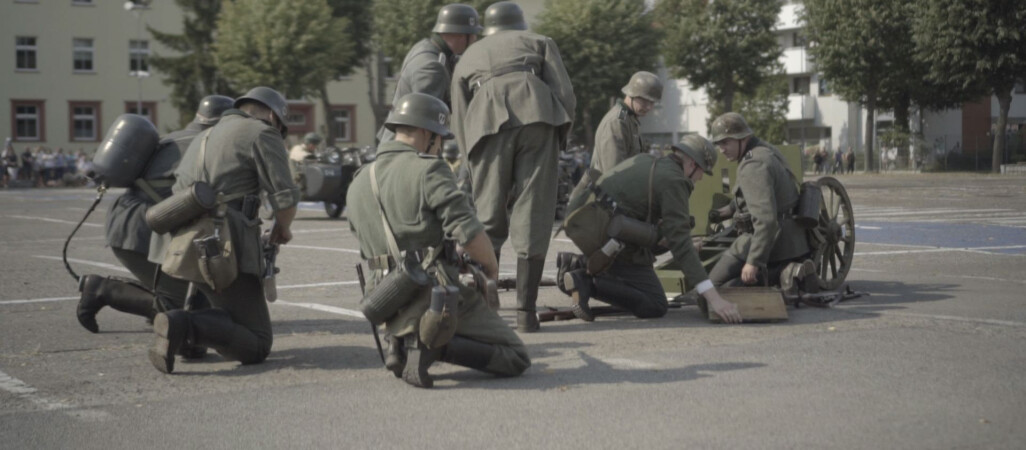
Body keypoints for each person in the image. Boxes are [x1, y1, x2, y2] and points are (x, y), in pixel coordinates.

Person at [347, 93, 529, 388]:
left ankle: (401, 335)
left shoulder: (359, 179)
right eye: (439, 137)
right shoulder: (428, 168)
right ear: (426, 133)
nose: (440, 146)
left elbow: (365, 238)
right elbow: (468, 231)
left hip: (381, 294)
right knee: (516, 357)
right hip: (429, 291)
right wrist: (490, 269)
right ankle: (430, 346)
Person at [147, 87, 299, 374]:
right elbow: (285, 196)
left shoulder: (204, 135)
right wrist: (284, 227)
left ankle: (185, 334)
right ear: (271, 115)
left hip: (186, 242)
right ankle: (181, 324)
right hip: (227, 245)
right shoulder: (262, 132)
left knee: (215, 319)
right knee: (257, 343)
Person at [450, 1, 576, 332]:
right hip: (538, 113)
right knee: (534, 211)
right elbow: (565, 93)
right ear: (519, 24)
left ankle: (484, 305)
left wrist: (470, 158)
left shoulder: (468, 56)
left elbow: (459, 114)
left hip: (485, 120)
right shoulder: (540, 41)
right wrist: (560, 134)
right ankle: (526, 313)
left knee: (488, 214)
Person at [77, 95, 234, 338]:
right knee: (189, 309)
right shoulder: (206, 146)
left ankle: (113, 291)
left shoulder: (173, 138)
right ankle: (102, 290)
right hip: (143, 227)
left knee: (195, 295)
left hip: (131, 220)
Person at [561, 135, 742, 324]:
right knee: (655, 304)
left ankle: (577, 264)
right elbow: (682, 246)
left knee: (664, 239)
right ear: (692, 164)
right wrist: (715, 300)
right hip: (608, 235)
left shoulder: (648, 161)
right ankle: (584, 279)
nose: (701, 177)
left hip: (587, 221)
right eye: (702, 171)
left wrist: (678, 239)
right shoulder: (674, 181)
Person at [707, 112, 812, 288]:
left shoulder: (753, 166)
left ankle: (783, 273)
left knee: (711, 292)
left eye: (726, 142)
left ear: (743, 138)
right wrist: (732, 208)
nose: (721, 149)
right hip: (789, 238)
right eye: (718, 144)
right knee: (719, 288)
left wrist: (753, 261)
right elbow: (760, 194)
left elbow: (765, 221)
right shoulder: (763, 150)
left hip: (769, 241)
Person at [376, 3, 482, 143]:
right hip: (408, 148)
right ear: (461, 35)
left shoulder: (427, 48)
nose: (475, 40)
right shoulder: (432, 68)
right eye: (473, 35)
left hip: (401, 145)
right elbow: (425, 123)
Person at [589, 71, 662, 174]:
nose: (649, 107)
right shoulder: (617, 122)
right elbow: (613, 173)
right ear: (632, 94)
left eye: (652, 102)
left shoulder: (629, 118)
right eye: (645, 101)